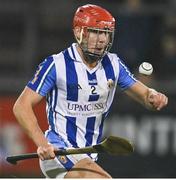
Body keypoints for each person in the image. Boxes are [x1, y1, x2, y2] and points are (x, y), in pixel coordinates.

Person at [13, 4, 168, 178]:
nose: (102, 39)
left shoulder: (113, 64)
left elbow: (145, 95)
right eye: (96, 32)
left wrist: (154, 96)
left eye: (106, 33)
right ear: (79, 32)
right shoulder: (56, 65)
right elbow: (21, 106)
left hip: (88, 157)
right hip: (59, 152)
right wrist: (42, 143)